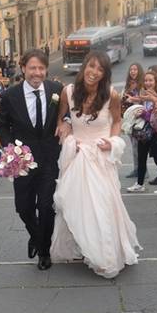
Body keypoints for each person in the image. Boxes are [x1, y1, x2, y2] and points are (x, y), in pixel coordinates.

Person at [52, 51, 140, 278]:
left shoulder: (111, 95)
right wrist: (65, 128)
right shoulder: (68, 92)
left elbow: (117, 121)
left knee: (101, 207)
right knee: (77, 205)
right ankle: (81, 246)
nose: (94, 72)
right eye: (91, 66)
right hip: (78, 156)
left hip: (101, 159)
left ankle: (104, 255)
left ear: (105, 74)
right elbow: (62, 118)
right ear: (84, 67)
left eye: (100, 70)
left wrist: (111, 142)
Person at [0, 49, 62, 270]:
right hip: (22, 160)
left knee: (46, 206)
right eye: (32, 68)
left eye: (41, 68)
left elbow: (66, 115)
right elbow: (2, 125)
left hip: (50, 159)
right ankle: (36, 235)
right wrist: (11, 147)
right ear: (23, 68)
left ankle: (44, 251)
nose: (37, 73)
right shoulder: (9, 96)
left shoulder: (57, 90)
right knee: (23, 208)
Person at [125, 68, 157, 193]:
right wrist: (134, 101)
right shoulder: (145, 96)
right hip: (144, 133)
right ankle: (139, 184)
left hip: (156, 133)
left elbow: (156, 117)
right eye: (146, 80)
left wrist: (142, 114)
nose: (148, 83)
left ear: (156, 82)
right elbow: (140, 100)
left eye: (150, 80)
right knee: (141, 158)